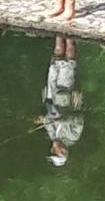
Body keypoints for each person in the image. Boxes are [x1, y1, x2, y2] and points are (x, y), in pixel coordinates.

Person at [34, 35, 84, 167]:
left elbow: (48, 120)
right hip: (65, 92)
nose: (52, 149)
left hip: (51, 94)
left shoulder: (52, 135)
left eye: (52, 151)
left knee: (56, 60)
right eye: (55, 152)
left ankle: (59, 32)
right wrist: (63, 120)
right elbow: (79, 119)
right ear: (63, 151)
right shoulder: (73, 137)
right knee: (68, 61)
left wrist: (41, 119)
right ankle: (69, 33)